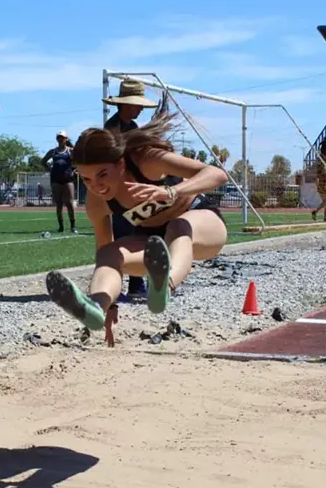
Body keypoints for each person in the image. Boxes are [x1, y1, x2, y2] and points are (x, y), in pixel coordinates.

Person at [44, 111, 228, 335]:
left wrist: (171, 192)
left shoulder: (146, 161)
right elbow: (103, 247)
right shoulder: (97, 201)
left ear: (121, 164)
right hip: (155, 246)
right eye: (87, 179)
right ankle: (96, 309)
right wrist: (111, 305)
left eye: (102, 174)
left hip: (202, 226)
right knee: (108, 254)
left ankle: (164, 287)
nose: (97, 186)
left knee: (178, 227)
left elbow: (217, 175)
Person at [103, 79, 160, 300]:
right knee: (121, 240)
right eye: (138, 105)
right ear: (126, 104)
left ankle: (136, 284)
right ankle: (115, 287)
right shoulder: (111, 130)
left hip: (134, 192)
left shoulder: (132, 127)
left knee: (137, 236)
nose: (140, 109)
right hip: (119, 194)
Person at [41, 131, 78, 233]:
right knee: (59, 204)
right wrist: (49, 169)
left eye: (62, 137)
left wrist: (74, 170)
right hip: (55, 180)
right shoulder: (53, 151)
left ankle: (73, 226)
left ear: (66, 139)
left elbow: (79, 161)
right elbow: (43, 161)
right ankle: (61, 227)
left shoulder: (70, 151)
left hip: (68, 179)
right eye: (59, 137)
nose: (60, 139)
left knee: (69, 203)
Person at [311, 143, 326, 222]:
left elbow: (316, 178)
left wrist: (317, 186)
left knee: (325, 201)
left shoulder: (319, 167)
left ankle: (317, 213)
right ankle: (324, 217)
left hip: (320, 186)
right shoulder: (325, 168)